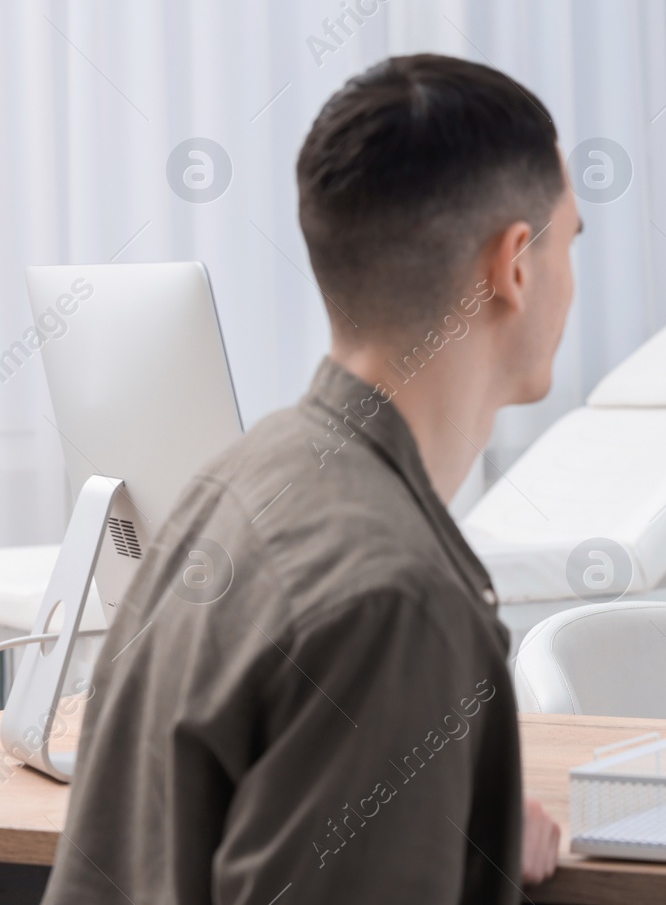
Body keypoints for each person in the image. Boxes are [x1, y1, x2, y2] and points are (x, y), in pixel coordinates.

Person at [43, 55, 578, 903]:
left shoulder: (233, 487)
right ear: (515, 265)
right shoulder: (395, 601)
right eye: (569, 240)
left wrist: (455, 818)